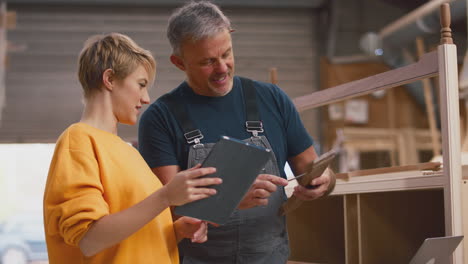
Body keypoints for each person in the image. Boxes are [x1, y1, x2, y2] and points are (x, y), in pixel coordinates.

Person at [138, 1, 336, 263]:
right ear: (179, 62)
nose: (222, 68)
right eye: (208, 61)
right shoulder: (160, 118)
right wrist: (229, 200)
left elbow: (311, 169)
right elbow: (166, 210)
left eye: (226, 54)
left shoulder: (272, 99)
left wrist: (325, 182)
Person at [43, 32, 223, 264]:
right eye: (141, 85)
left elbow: (126, 237)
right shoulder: (78, 140)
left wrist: (174, 231)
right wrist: (166, 196)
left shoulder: (129, 153)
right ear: (109, 79)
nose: (147, 98)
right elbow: (89, 239)